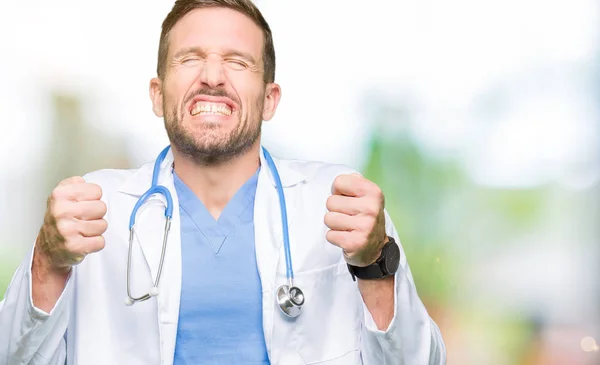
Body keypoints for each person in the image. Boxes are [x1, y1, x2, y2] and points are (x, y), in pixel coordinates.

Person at [0, 0, 446, 364]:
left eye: (237, 62)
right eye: (190, 58)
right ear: (158, 94)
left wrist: (373, 267)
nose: (212, 77)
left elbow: (419, 360)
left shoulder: (341, 204)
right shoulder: (92, 209)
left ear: (269, 99)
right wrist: (48, 263)